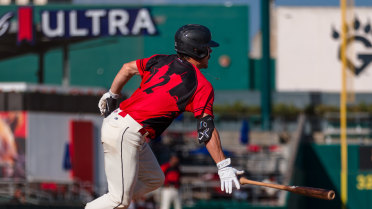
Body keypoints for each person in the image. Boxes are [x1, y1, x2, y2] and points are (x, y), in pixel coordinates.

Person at [85, 24, 244, 209]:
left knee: (154, 179)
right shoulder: (201, 85)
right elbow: (206, 130)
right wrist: (222, 165)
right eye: (207, 47)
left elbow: (127, 68)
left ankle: (111, 202)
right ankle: (111, 202)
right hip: (128, 132)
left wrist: (112, 94)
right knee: (119, 200)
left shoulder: (160, 59)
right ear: (197, 50)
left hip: (124, 126)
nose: (210, 51)